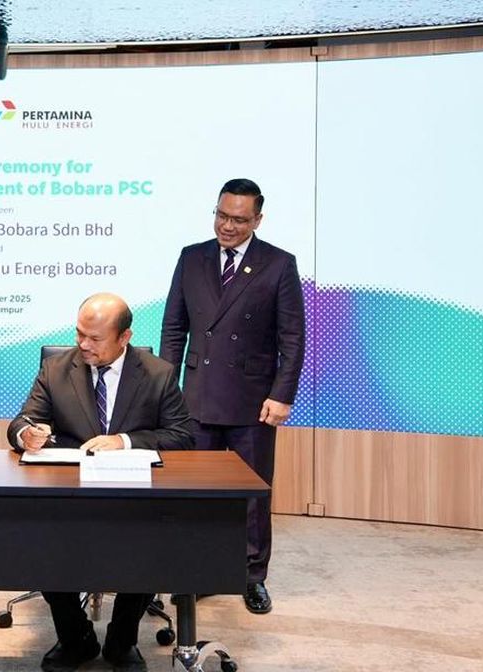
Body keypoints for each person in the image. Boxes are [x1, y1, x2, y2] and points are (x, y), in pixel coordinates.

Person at [7, 293, 193, 672]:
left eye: (94, 338)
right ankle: (76, 639)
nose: (83, 344)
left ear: (124, 337)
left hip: (135, 496)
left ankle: (122, 642)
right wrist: (26, 434)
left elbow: (182, 436)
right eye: (79, 334)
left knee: (151, 545)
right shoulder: (56, 370)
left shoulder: (157, 374)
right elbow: (22, 420)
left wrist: (124, 441)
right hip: (70, 495)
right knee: (42, 541)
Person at [159, 178, 306, 615]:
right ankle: (200, 572)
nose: (227, 226)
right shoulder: (192, 258)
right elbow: (174, 329)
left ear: (257, 220)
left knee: (252, 494)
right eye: (222, 215)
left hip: (253, 401)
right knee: (195, 493)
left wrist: (282, 394)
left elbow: (292, 337)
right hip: (197, 398)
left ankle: (251, 576)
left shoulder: (278, 264)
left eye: (239, 220)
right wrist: (165, 390)